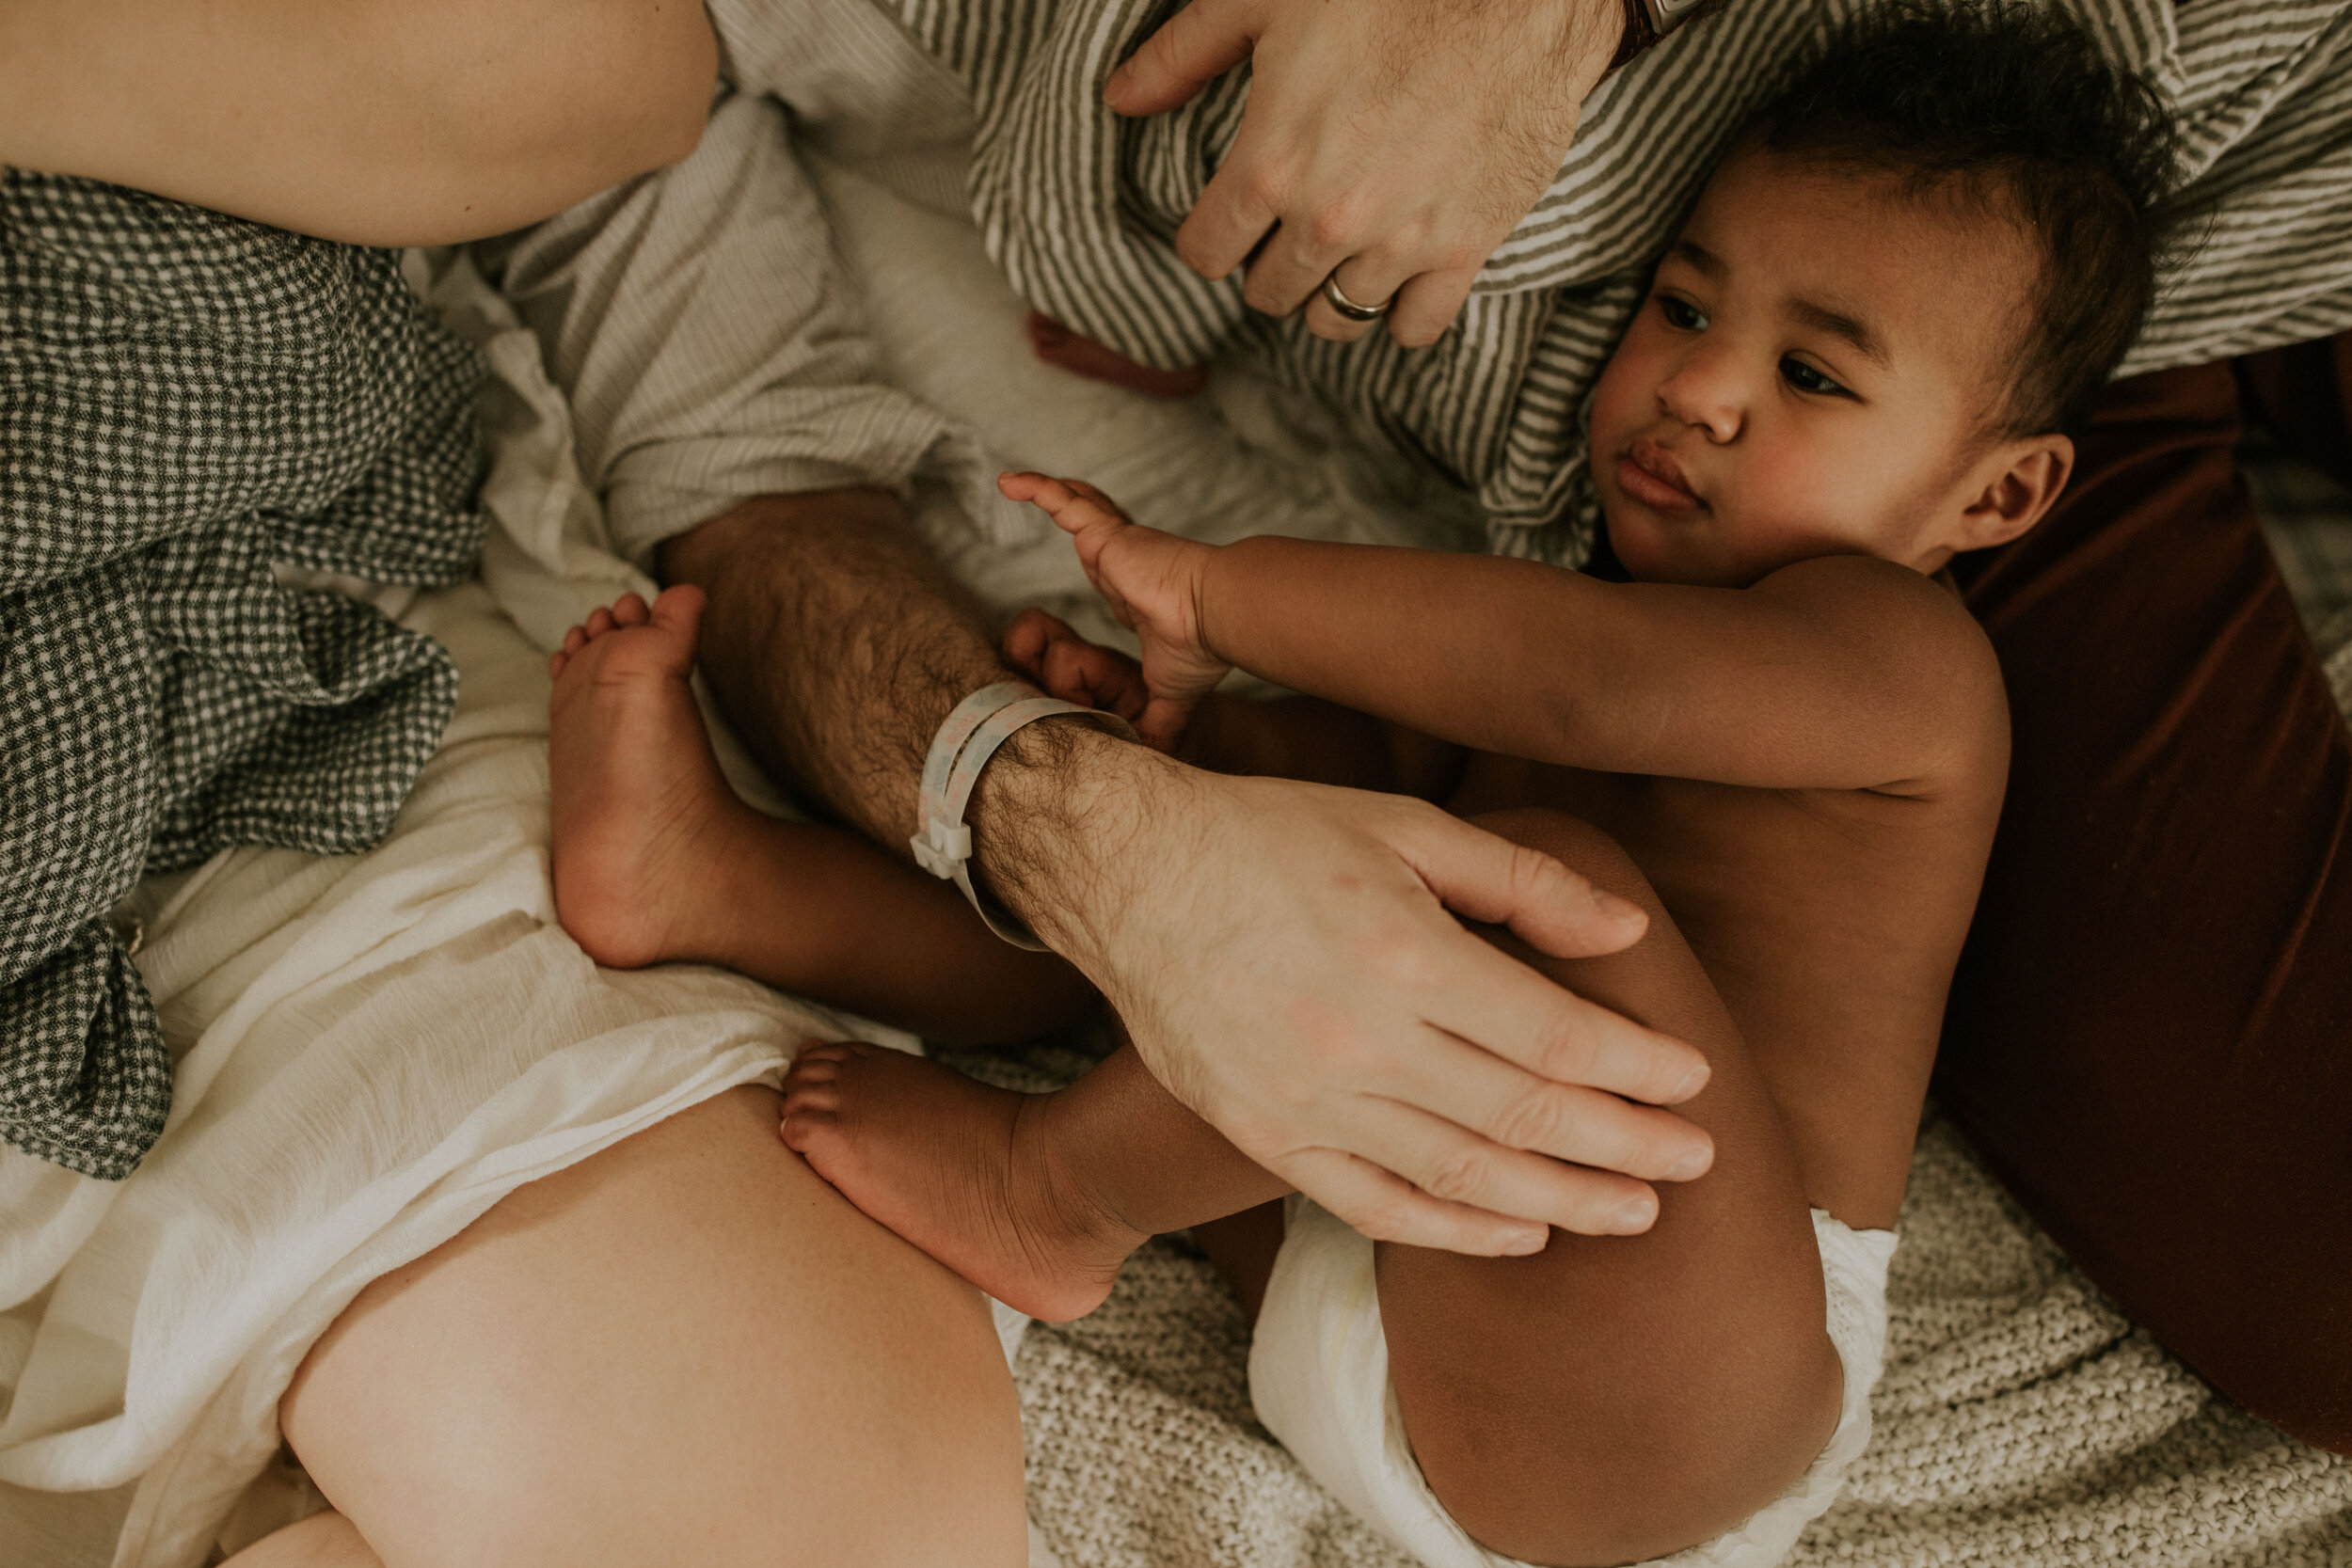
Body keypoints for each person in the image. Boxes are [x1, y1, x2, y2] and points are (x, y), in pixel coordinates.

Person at [539, 12, 2178, 1566]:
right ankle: (721, 885)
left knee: (1533, 881)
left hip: (1660, 1380)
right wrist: (1198, 754)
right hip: (1370, 1236)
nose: (1700, 386)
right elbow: (1400, 774)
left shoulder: (1905, 667)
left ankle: (1052, 1191)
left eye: (1815, 378)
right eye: (1682, 308)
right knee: (1244, 832)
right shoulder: (1580, 593)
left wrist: (1217, 596)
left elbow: (1591, 686)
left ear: (1998, 489)